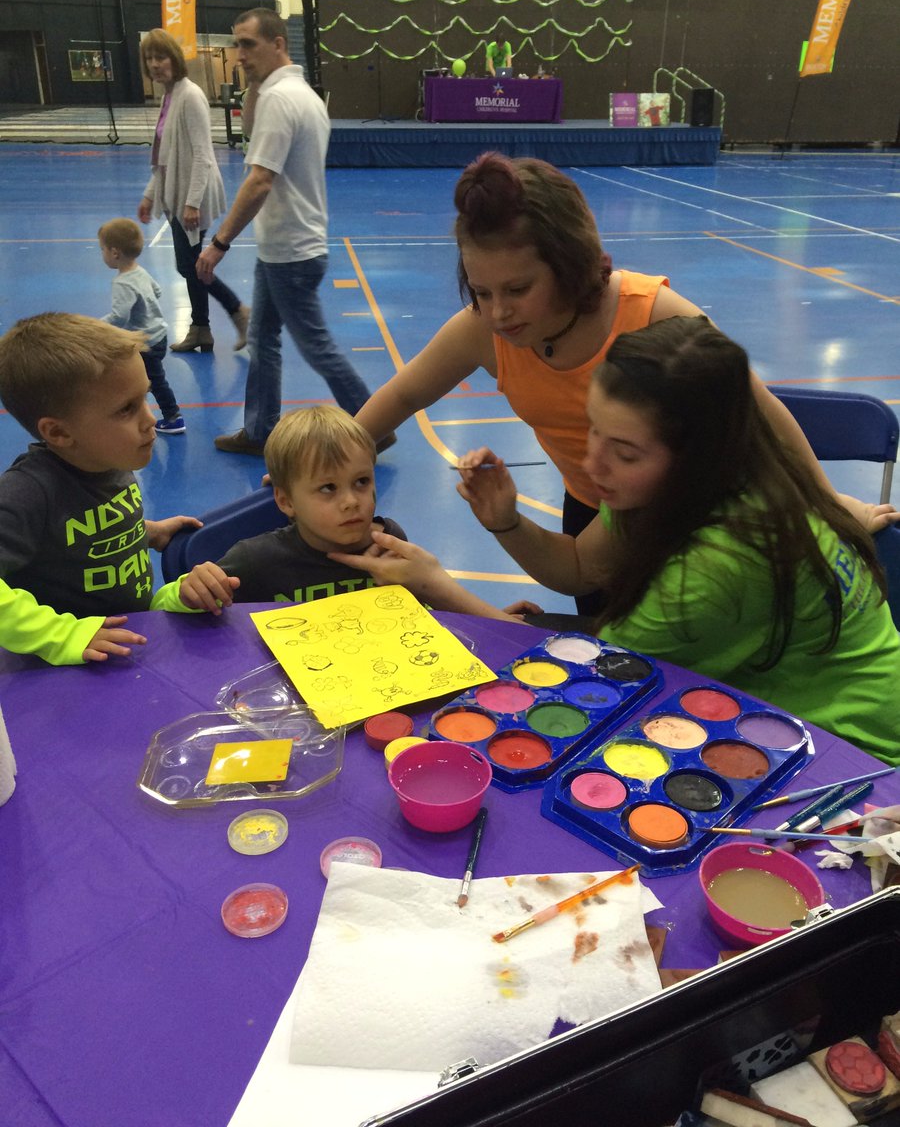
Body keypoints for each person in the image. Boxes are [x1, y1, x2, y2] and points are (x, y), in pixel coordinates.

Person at [335, 317, 900, 763]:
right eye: (593, 431)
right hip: (785, 720)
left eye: (624, 452)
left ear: (695, 459)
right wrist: (505, 520)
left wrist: (436, 584)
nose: (592, 463)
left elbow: (584, 683)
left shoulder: (717, 567)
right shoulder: (692, 483)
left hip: (850, 767)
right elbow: (581, 569)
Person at [355, 152, 855, 614]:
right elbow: (404, 394)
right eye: (481, 291)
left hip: (688, 519)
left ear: (571, 266)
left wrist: (827, 504)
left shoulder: (656, 314)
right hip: (599, 513)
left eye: (518, 289)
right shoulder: (484, 329)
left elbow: (757, 412)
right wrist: (330, 456)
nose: (499, 311)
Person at [195, 9, 386, 459]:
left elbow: (260, 179)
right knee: (263, 339)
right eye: (236, 44)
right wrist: (254, 89)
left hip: (290, 252)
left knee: (315, 347)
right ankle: (260, 429)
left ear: (278, 43)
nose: (239, 54)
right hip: (283, 247)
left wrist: (219, 243)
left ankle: (375, 423)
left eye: (248, 45)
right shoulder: (296, 95)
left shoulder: (283, 101)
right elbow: (253, 142)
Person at [0, 313, 219, 667]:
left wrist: (144, 532)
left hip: (130, 643)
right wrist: (63, 635)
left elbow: (76, 532)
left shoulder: (107, 459)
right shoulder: (28, 491)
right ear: (59, 433)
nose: (149, 420)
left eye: (144, 398)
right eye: (126, 410)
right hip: (72, 673)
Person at [171, 405, 407, 610]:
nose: (351, 502)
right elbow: (165, 608)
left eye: (362, 482)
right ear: (286, 502)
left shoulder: (389, 541)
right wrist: (187, 593)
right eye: (328, 488)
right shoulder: (256, 561)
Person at [137, 28, 249, 355]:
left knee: (191, 265)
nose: (155, 64)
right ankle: (201, 329)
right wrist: (149, 194)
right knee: (190, 264)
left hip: (192, 196)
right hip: (177, 193)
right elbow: (165, 156)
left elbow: (202, 153)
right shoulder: (169, 95)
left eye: (161, 57)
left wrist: (192, 202)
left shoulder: (191, 95)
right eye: (149, 59)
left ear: (174, 58)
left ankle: (237, 311)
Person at [98, 217, 184, 435]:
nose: (103, 254)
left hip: (145, 342)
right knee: (149, 377)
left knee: (154, 380)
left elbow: (119, 317)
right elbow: (157, 291)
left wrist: (96, 326)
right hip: (159, 335)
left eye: (103, 250)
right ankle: (140, 409)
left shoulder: (122, 283)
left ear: (115, 253)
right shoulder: (140, 271)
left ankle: (173, 416)